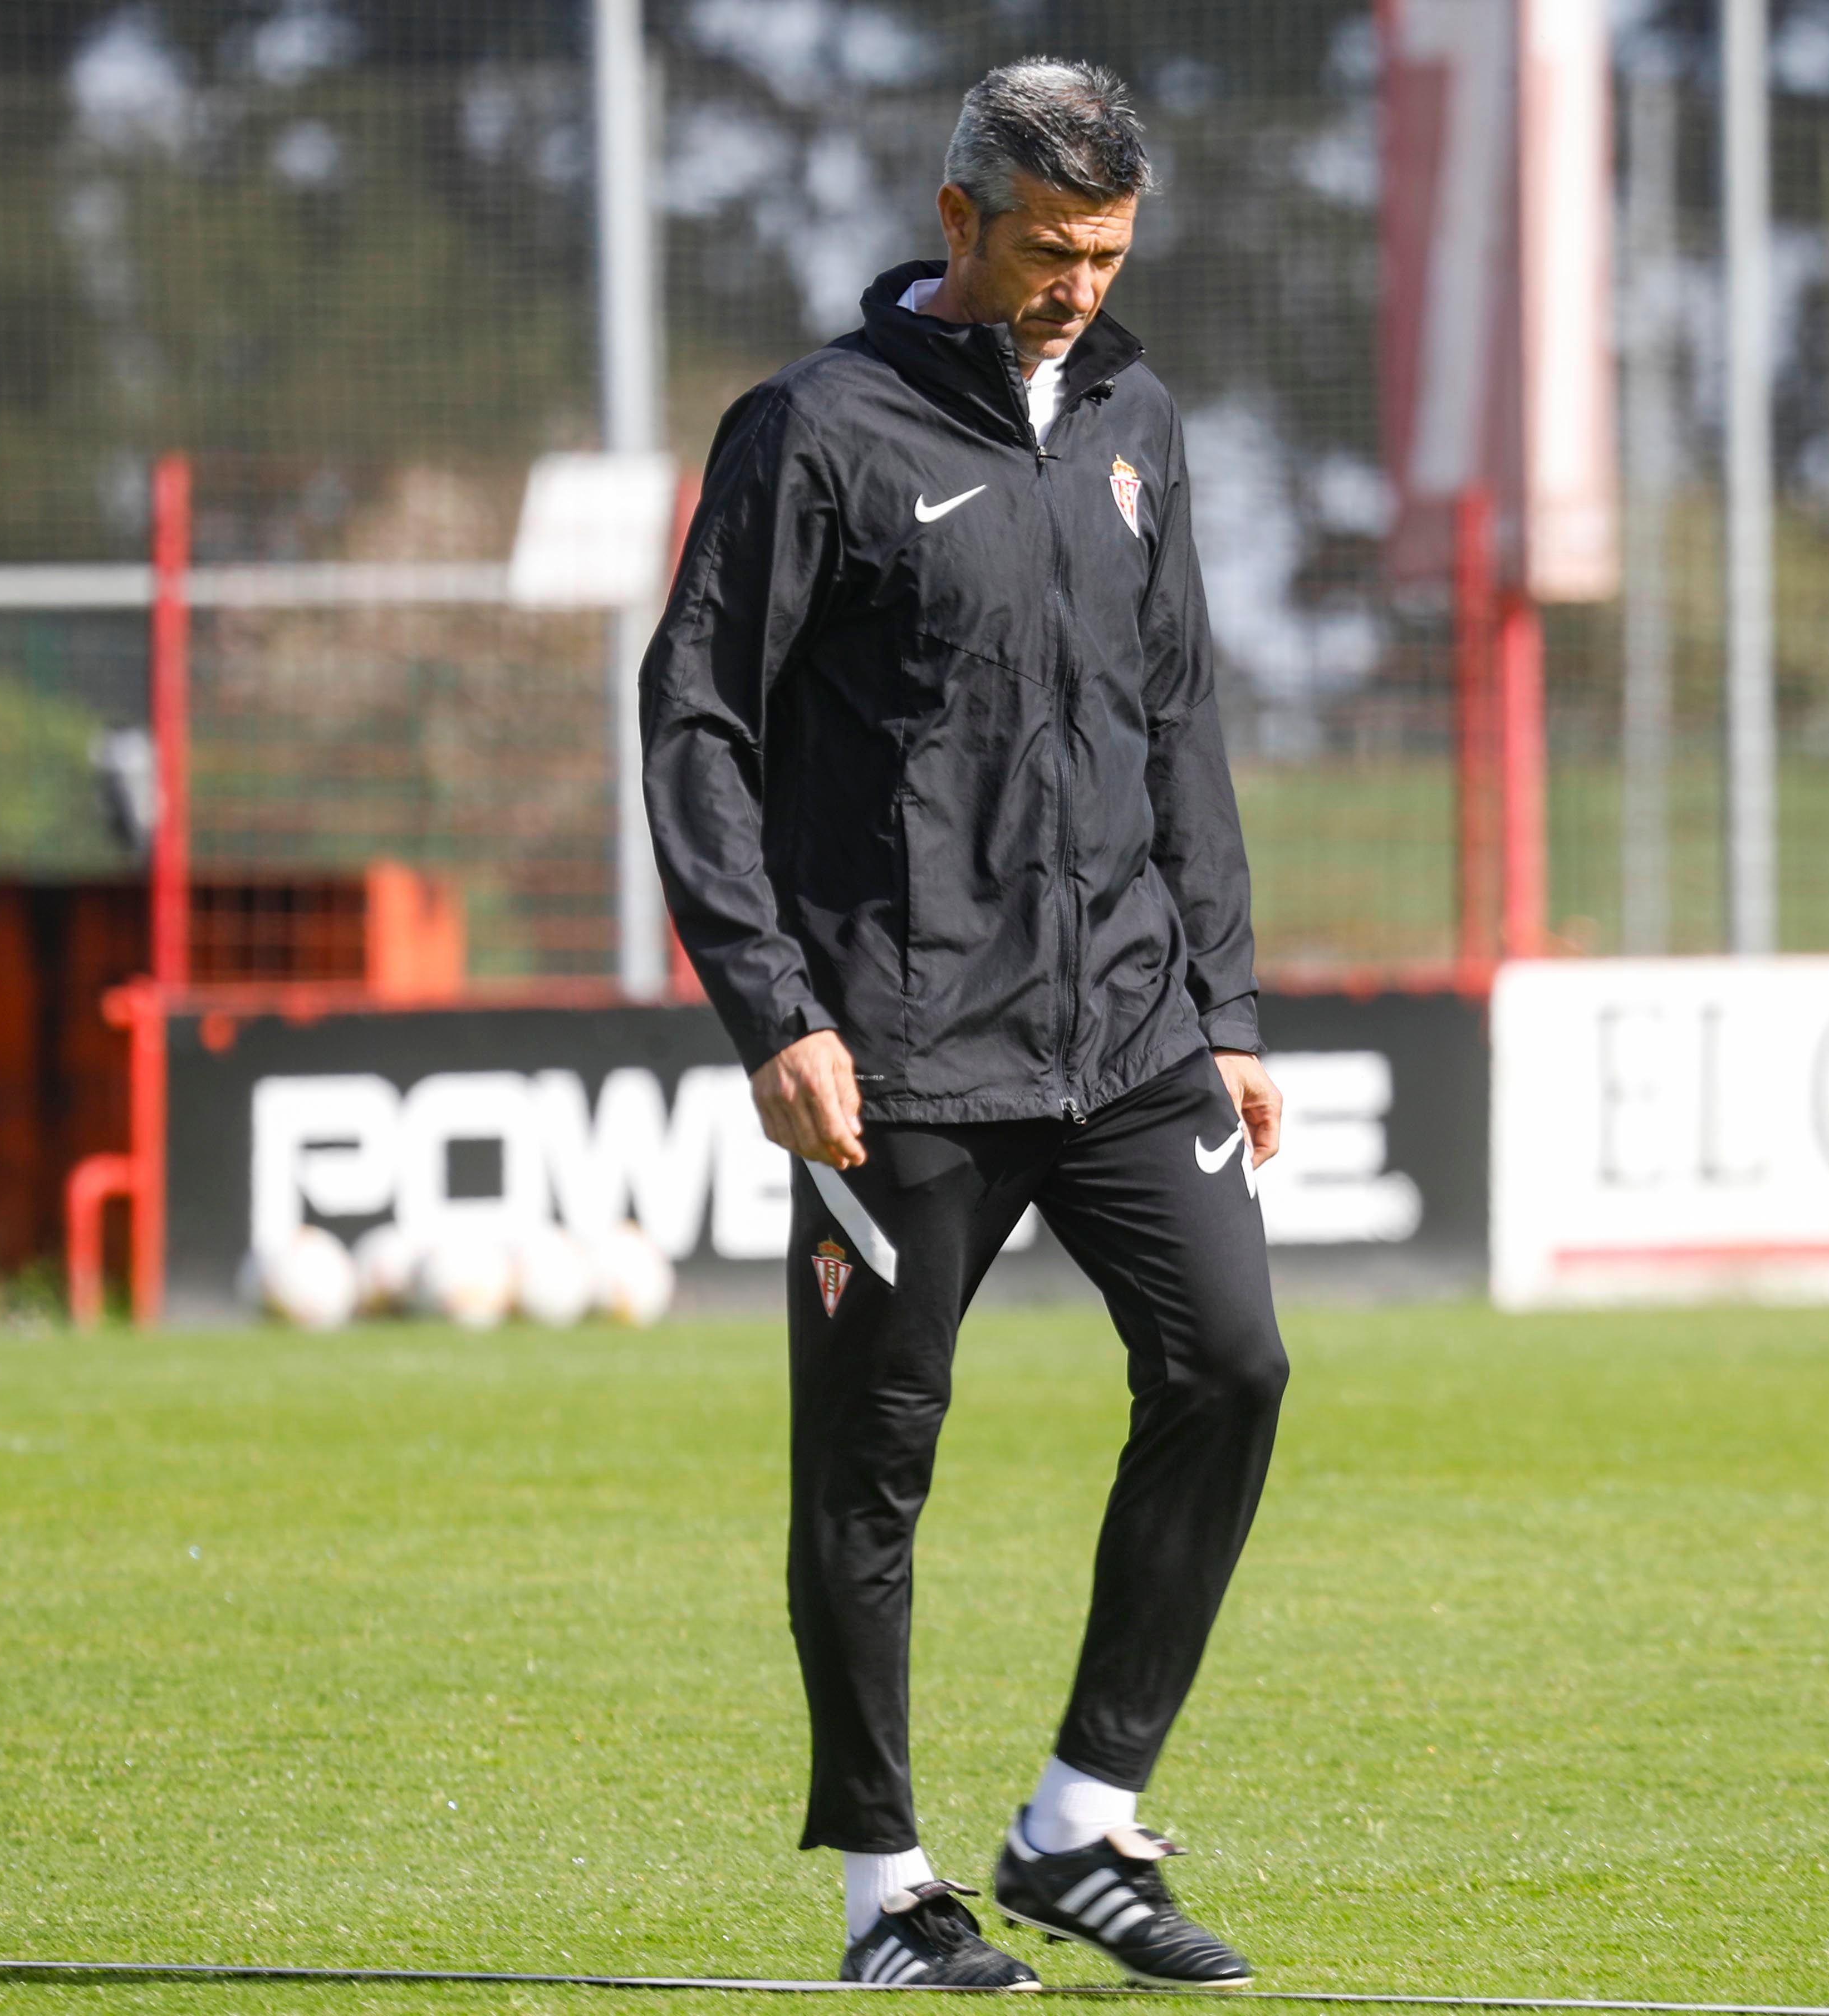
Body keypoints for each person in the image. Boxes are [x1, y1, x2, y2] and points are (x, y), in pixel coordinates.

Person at [641, 56, 1286, 1994]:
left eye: (1106, 252)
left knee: (1233, 1367)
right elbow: (699, 730)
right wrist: (771, 1011)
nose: (1077, 285)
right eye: (1047, 248)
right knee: (872, 1467)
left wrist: (1229, 1001)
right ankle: (887, 1891)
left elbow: (1179, 719)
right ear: (959, 224)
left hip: (1128, 1032)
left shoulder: (1137, 421)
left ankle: (1081, 1825)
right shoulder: (812, 433)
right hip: (899, 1050)